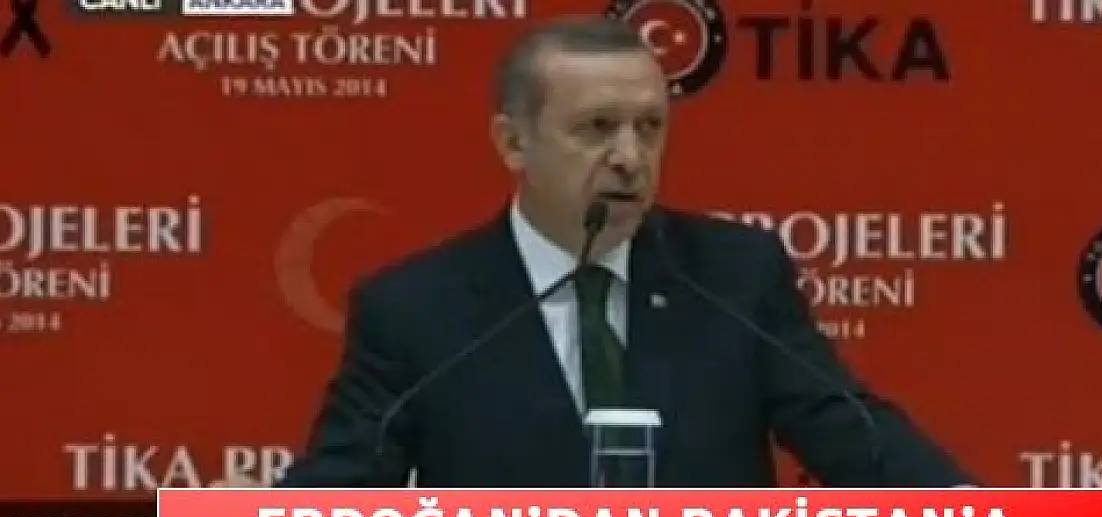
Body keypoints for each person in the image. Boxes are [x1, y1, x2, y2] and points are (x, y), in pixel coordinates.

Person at [277, 16, 972, 489]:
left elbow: (853, 437)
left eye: (650, 127)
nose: (630, 157)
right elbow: (337, 498)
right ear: (513, 143)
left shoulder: (734, 276)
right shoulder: (416, 310)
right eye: (598, 128)